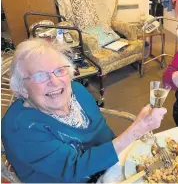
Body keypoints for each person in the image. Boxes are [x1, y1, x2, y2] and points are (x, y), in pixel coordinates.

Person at [1, 39, 167, 183]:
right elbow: (73, 168)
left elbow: (103, 132)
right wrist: (135, 131)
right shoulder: (20, 128)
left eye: (59, 70)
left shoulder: (77, 90)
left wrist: (121, 159)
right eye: (39, 76)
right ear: (22, 89)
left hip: (108, 169)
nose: (54, 81)